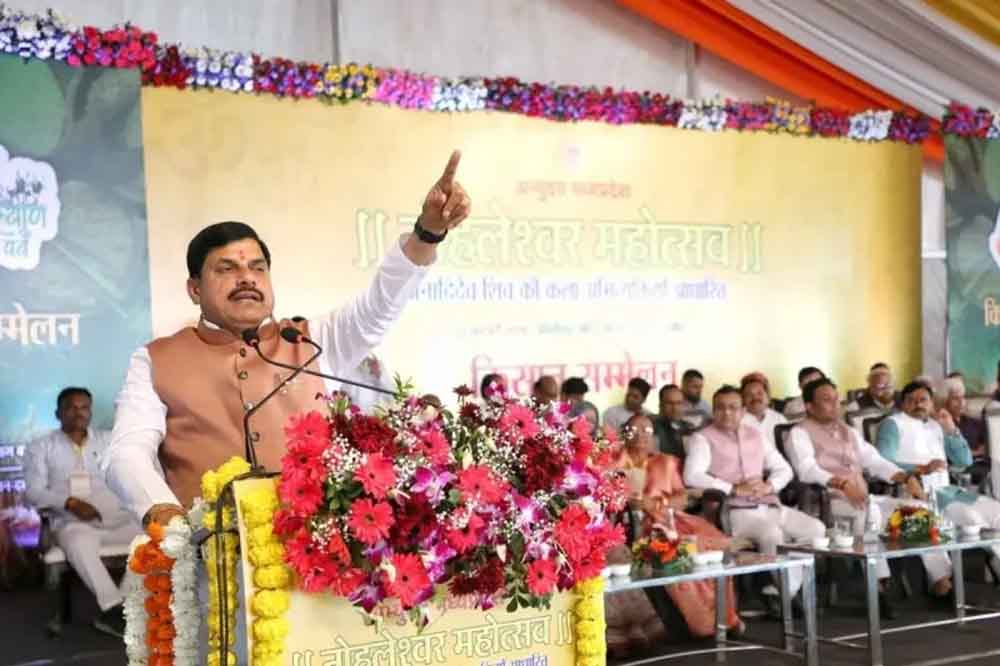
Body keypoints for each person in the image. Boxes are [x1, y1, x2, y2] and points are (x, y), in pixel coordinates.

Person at [103, 151, 470, 528]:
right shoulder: (156, 360)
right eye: (226, 269)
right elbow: (127, 452)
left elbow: (380, 306)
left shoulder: (311, 341)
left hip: (314, 551)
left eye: (257, 268)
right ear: (194, 289)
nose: (246, 278)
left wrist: (427, 233)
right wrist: (163, 511)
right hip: (207, 554)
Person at [788, 379, 953, 616]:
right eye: (826, 400)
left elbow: (875, 461)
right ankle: (878, 587)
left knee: (920, 511)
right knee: (869, 514)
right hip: (828, 504)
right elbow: (806, 470)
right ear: (809, 406)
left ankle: (942, 584)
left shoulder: (848, 431)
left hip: (864, 499)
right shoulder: (799, 432)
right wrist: (842, 483)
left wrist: (905, 477)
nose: (835, 404)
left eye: (836, 399)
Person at [605, 414, 740, 656]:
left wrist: (657, 504)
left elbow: (682, 498)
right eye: (635, 430)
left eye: (647, 430)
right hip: (634, 525)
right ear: (624, 433)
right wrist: (634, 504)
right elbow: (605, 497)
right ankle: (701, 624)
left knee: (708, 549)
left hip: (670, 518)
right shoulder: (613, 463)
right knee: (674, 550)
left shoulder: (665, 462)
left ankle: (724, 619)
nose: (641, 435)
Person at [684, 386, 825, 605]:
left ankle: (783, 590)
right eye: (720, 408)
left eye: (733, 408)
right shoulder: (702, 438)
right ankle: (789, 597)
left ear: (743, 411)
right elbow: (692, 475)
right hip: (735, 511)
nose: (727, 413)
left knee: (816, 529)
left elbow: (784, 469)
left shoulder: (755, 435)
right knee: (772, 534)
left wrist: (770, 486)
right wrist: (732, 488)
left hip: (769, 505)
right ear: (713, 411)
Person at [24, 388, 140, 637]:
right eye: (71, 408)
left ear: (90, 411)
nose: (79, 413)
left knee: (153, 537)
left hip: (118, 519)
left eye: (84, 407)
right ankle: (112, 607)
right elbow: (33, 493)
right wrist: (70, 503)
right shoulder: (41, 447)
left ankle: (124, 605)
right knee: (78, 542)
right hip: (74, 523)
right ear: (58, 413)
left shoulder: (108, 441)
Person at [877, 381, 1000, 564]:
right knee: (972, 518)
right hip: (920, 495)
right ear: (903, 404)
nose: (918, 404)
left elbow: (964, 461)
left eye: (923, 400)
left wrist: (951, 430)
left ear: (932, 404)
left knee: (996, 512)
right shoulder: (893, 424)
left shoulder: (936, 425)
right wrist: (922, 468)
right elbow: (883, 462)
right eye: (912, 400)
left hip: (950, 492)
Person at [939, 377, 988, 487]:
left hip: (979, 479)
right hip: (952, 480)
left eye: (963, 397)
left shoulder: (975, 423)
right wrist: (975, 452)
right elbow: (947, 455)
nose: (961, 402)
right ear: (944, 401)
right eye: (955, 399)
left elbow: (986, 450)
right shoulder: (939, 425)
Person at [740, 374, 787, 451]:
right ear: (743, 399)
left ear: (768, 396)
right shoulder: (737, 421)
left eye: (759, 393)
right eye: (749, 394)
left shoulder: (779, 418)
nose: (755, 398)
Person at [653, 384, 689, 460]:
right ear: (660, 405)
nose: (675, 408)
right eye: (669, 403)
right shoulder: (651, 427)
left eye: (679, 403)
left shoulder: (689, 429)